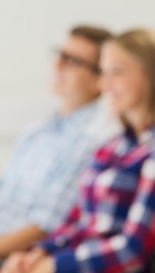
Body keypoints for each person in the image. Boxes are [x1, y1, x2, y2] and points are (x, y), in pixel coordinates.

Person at [1, 28, 155, 273]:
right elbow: (76, 222)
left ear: (154, 77)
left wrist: (54, 265)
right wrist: (36, 254)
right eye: (103, 72)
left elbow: (133, 250)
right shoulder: (113, 146)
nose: (104, 84)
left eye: (116, 72)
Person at [0, 25, 118, 258]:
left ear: (98, 79)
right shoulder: (37, 131)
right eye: (59, 55)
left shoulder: (93, 142)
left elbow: (45, 227)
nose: (57, 65)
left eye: (72, 61)